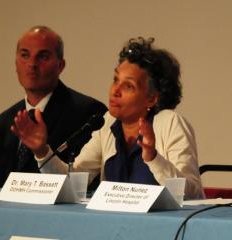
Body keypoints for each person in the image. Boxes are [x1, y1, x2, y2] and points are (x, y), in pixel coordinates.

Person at [12, 37, 203, 199]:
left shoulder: (169, 123)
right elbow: (72, 185)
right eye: (115, 80)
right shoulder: (107, 124)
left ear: (152, 98)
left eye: (128, 86)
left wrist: (153, 157)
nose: (115, 91)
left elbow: (191, 194)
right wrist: (42, 151)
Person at [0, 25, 107, 187]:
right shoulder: (2, 123)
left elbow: (83, 185)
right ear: (15, 63)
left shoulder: (88, 113)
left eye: (42, 56)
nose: (32, 64)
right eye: (25, 55)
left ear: (60, 65)